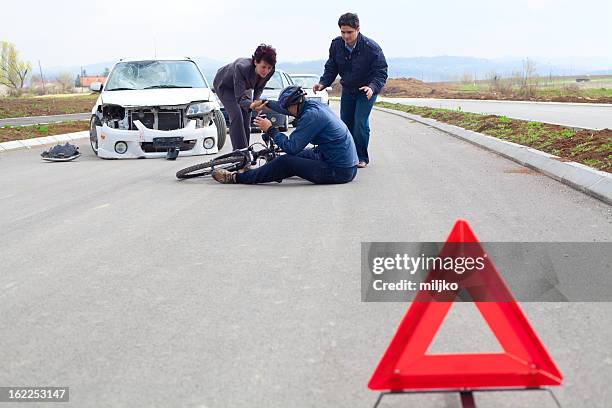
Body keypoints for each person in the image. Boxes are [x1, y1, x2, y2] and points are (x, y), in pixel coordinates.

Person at [212, 86, 358, 185]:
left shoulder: (312, 116)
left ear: (296, 104)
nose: (286, 110)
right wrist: (265, 103)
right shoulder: (311, 106)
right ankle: (267, 171)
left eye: (288, 107)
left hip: (339, 170)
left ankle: (236, 178)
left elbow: (291, 147)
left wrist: (270, 129)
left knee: (286, 161)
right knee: (290, 158)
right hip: (333, 157)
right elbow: (285, 108)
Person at [313, 12, 388, 168]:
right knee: (345, 123)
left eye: (349, 32)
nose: (346, 36)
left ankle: (361, 157)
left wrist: (372, 87)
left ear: (358, 29)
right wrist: (323, 83)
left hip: (366, 90)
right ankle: (347, 155)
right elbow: (331, 66)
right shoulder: (336, 45)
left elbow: (381, 72)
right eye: (343, 32)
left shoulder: (371, 48)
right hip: (348, 89)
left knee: (360, 122)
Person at [213, 44, 277, 150]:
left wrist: (256, 102)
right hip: (225, 86)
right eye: (263, 67)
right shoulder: (241, 67)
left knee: (247, 116)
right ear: (255, 62)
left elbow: (259, 87)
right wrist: (252, 104)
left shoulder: (270, 70)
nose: (266, 71)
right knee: (237, 115)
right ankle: (239, 153)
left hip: (244, 87)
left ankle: (246, 151)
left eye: (269, 68)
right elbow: (239, 98)